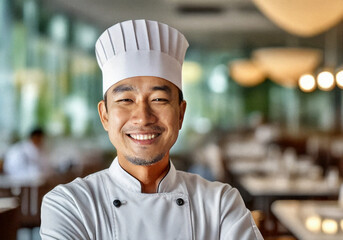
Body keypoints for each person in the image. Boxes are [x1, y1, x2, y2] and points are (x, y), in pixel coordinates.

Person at [40, 19, 263, 239]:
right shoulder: (70, 205)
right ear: (105, 115)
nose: (143, 118)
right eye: (126, 100)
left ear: (181, 114)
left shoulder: (220, 203)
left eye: (158, 99)